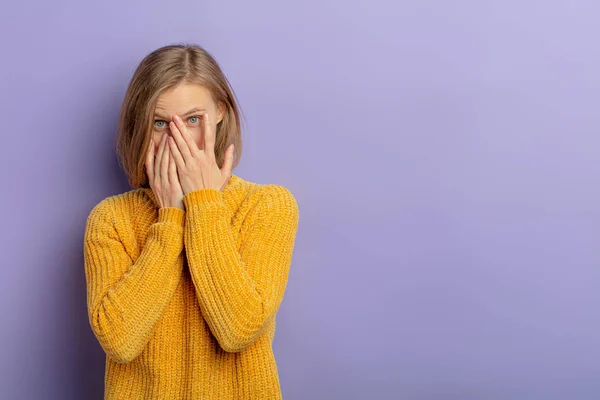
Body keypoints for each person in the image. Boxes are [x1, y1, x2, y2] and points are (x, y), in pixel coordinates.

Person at [83, 44, 299, 399]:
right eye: (160, 123)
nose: (177, 140)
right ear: (141, 126)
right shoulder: (111, 219)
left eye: (193, 120)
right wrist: (170, 220)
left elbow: (238, 328)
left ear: (220, 114)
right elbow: (120, 341)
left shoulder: (268, 206)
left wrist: (202, 204)